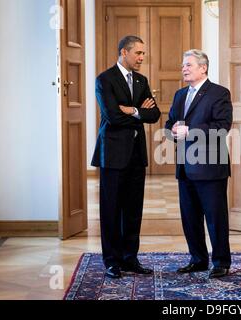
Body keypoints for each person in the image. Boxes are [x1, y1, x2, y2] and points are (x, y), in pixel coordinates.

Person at [91, 36, 161, 279]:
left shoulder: (142, 80)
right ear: (124, 52)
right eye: (138, 53)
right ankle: (111, 261)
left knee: (133, 210)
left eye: (143, 54)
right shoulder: (105, 79)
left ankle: (130, 258)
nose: (142, 58)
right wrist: (140, 112)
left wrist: (131, 110)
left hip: (136, 154)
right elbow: (112, 116)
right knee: (111, 209)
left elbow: (155, 115)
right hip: (111, 153)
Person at [165, 49, 233, 279]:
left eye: (189, 65)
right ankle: (198, 260)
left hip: (210, 166)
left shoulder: (219, 93)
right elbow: (171, 123)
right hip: (185, 165)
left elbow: (222, 126)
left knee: (215, 217)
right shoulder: (179, 95)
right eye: (183, 65)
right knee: (190, 217)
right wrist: (172, 131)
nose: (184, 68)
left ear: (203, 68)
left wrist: (190, 131)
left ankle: (221, 262)